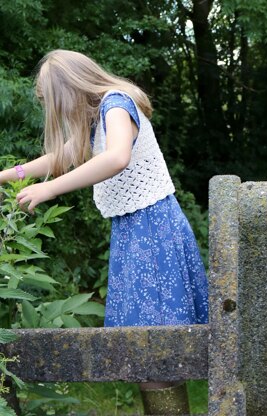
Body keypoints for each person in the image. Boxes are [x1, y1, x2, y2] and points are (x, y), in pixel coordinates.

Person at [0, 50, 208, 415]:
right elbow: (58, 157)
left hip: (152, 232)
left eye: (52, 101)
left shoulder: (116, 104)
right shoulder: (97, 119)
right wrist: (7, 176)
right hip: (135, 232)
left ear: (68, 89)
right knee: (149, 353)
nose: (57, 111)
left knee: (157, 351)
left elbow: (116, 158)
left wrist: (49, 189)